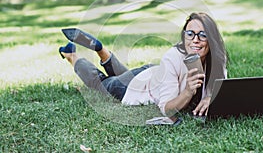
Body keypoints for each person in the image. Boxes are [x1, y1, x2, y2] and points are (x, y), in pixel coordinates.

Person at [59, 12, 228, 118]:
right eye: (190, 34)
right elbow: (167, 109)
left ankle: (101, 50)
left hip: (151, 75)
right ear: (184, 36)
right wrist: (188, 91)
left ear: (212, 39)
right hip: (137, 86)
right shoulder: (173, 57)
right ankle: (72, 55)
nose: (195, 40)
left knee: (123, 76)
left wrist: (208, 97)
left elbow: (220, 86)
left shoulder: (218, 60)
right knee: (103, 83)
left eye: (202, 35)